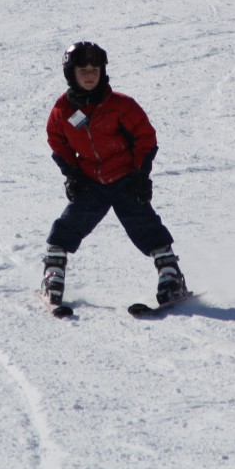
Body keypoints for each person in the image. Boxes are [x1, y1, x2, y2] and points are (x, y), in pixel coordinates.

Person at [40, 41, 189, 307]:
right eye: (83, 70)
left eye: (94, 70)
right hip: (90, 180)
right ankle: (53, 271)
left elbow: (146, 137)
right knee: (70, 222)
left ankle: (170, 273)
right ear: (70, 74)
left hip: (125, 178)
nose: (89, 75)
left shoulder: (120, 105)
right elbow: (57, 141)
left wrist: (140, 174)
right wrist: (72, 173)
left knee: (142, 221)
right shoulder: (62, 111)